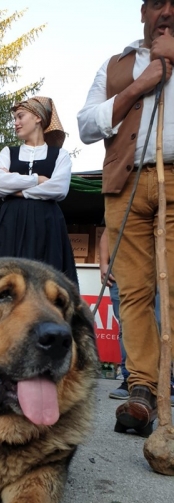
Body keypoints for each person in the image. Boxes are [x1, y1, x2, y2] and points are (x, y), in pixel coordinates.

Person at [77, 0, 174, 434]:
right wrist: (142, 84)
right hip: (126, 183)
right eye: (157, 3)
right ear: (142, 12)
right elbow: (86, 125)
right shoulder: (117, 65)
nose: (166, 12)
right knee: (133, 293)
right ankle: (142, 391)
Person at [0, 96, 78, 287]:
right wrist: (37, 179)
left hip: (46, 224)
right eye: (15, 119)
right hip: (10, 224)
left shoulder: (60, 155)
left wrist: (18, 191)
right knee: (3, 280)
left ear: (38, 118)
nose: (15, 123)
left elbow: (58, 188)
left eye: (20, 117)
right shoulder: (7, 152)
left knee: (47, 282)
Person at [98, 228, 130, 399]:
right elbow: (108, 230)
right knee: (126, 329)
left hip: (157, 269)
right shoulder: (120, 201)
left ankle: (167, 381)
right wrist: (104, 263)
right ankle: (130, 380)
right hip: (120, 270)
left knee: (161, 325)